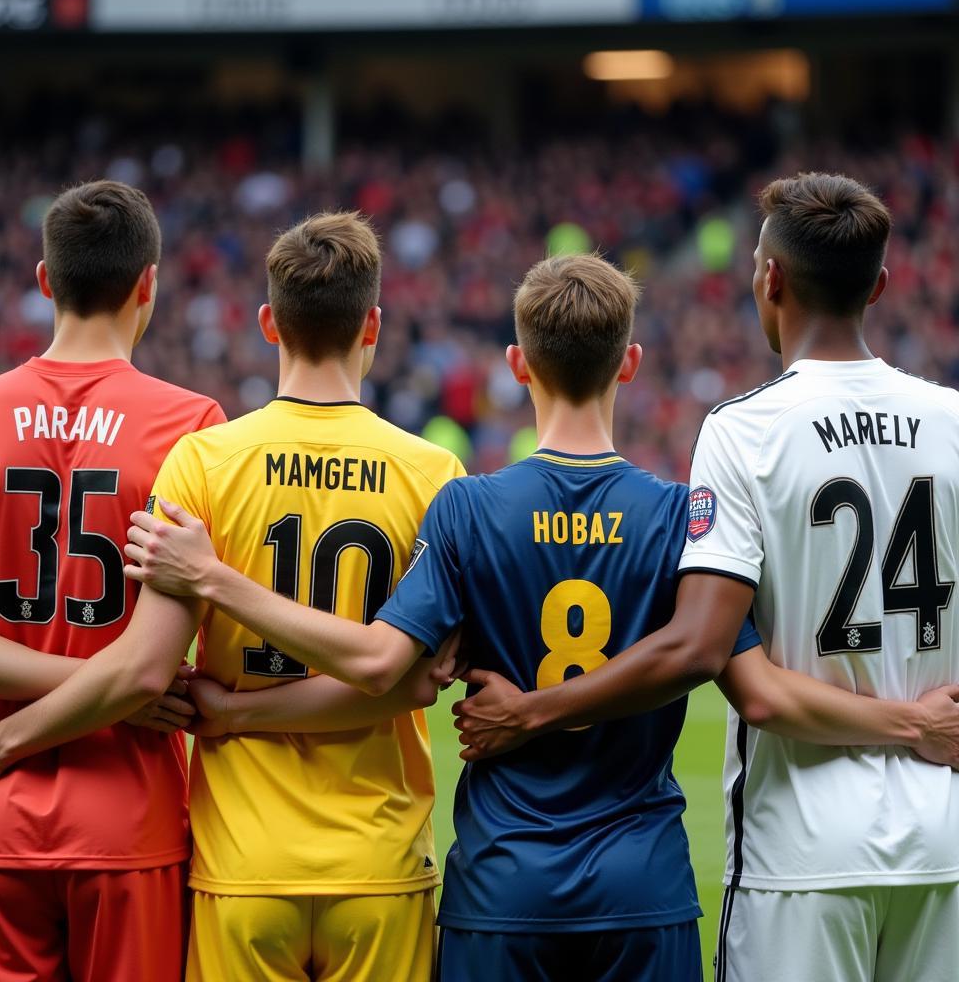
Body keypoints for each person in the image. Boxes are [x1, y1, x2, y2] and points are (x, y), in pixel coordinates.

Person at [91, 251, 959, 980]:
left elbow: (391, 663)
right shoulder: (674, 516)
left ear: (516, 363)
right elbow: (724, 666)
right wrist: (907, 721)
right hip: (643, 880)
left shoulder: (467, 510)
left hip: (498, 881)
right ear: (630, 363)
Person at [446, 173, 959, 982]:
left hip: (804, 849)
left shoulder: (744, 429)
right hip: (942, 843)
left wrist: (532, 713)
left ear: (770, 279)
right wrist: (927, 726)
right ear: (882, 286)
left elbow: (713, 660)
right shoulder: (952, 421)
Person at [0, 210, 464, 982]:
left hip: (188, 850)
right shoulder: (424, 471)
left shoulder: (201, 454)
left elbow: (131, 666)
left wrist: (5, 741)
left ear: (267, 323)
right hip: (246, 833)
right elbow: (412, 677)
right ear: (373, 325)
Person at [0, 180, 224, 982]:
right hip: (128, 816)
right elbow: (146, 670)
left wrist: (11, 732)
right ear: (149, 284)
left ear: (43, 280)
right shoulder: (192, 426)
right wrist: (130, 683)